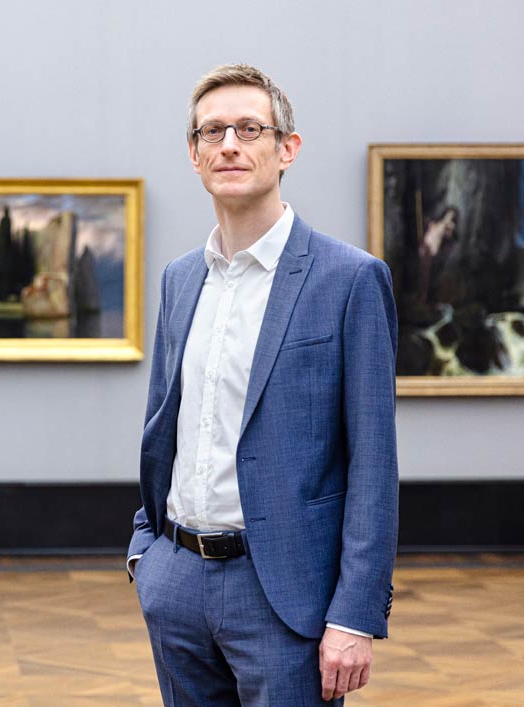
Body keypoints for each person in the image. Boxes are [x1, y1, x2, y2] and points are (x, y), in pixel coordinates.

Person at [128, 64, 398, 706]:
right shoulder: (178, 279)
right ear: (193, 155)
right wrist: (147, 555)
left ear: (287, 149)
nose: (229, 144)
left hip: (285, 596)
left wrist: (355, 614)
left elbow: (373, 462)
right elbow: (161, 427)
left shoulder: (350, 279)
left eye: (250, 128)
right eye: (212, 131)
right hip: (177, 584)